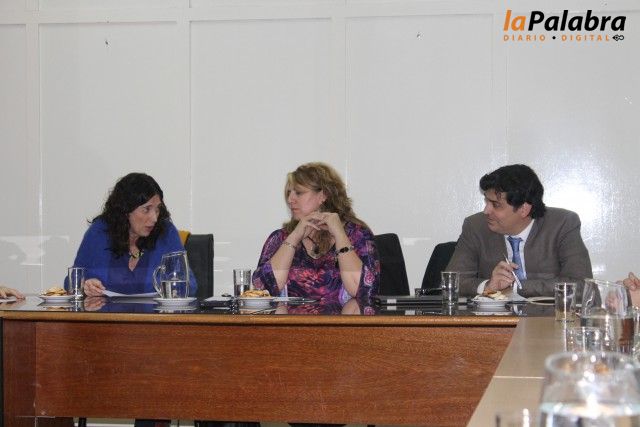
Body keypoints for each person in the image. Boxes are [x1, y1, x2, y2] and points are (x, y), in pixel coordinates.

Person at [446, 164, 593, 297]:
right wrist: (488, 286)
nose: (486, 210)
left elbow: (581, 285)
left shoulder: (562, 224)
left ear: (524, 209)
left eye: (496, 205)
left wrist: (516, 287)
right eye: (486, 201)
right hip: (496, 317)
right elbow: (452, 281)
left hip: (549, 316)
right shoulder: (475, 226)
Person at [253, 162, 380, 304]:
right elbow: (263, 289)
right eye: (289, 193)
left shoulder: (357, 235)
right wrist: (294, 237)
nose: (290, 200)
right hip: (290, 318)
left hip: (343, 318)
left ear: (323, 195)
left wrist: (339, 235)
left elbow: (363, 291)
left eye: (298, 192)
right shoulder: (280, 237)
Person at [68, 172, 197, 297]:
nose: (154, 218)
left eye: (157, 209)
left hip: (154, 312)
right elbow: (72, 281)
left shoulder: (166, 233)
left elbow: (190, 285)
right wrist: (86, 286)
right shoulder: (99, 232)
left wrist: (173, 287)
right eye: (146, 209)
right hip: (107, 312)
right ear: (125, 210)